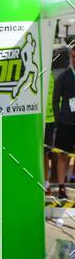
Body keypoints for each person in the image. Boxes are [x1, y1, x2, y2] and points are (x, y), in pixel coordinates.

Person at [52, 44, 75, 203]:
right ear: (70, 57)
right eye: (74, 57)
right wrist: (58, 120)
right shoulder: (63, 77)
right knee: (63, 155)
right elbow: (55, 100)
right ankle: (61, 186)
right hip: (66, 123)